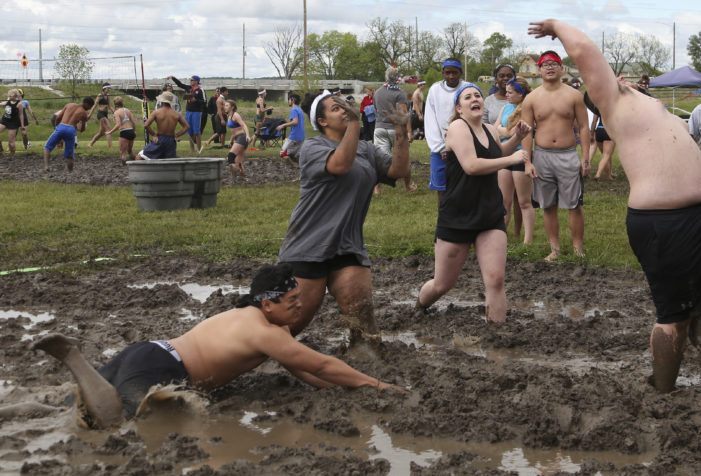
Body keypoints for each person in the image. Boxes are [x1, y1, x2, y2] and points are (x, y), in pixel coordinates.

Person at [528, 19, 701, 391]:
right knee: (671, 317)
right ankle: (662, 391)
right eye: (613, 77)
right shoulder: (614, 103)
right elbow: (584, 52)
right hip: (665, 223)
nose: (622, 79)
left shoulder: (657, 114)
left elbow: (693, 160)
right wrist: (556, 27)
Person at [32, 263, 404, 428]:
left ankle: (56, 391)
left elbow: (307, 371)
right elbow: (322, 364)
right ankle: (75, 358)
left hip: (149, 352)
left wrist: (347, 390)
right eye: (292, 301)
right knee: (112, 424)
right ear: (268, 304)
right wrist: (377, 385)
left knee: (70, 411)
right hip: (162, 370)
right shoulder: (267, 333)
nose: (301, 305)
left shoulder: (255, 321)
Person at [277, 91, 410, 348]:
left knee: (364, 326)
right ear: (322, 121)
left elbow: (399, 170)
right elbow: (340, 165)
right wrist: (355, 123)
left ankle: (368, 369)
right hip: (307, 248)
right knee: (288, 328)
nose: (344, 109)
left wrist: (401, 129)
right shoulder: (313, 147)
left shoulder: (366, 149)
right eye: (336, 108)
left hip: (348, 246)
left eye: (345, 106)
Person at [416, 83, 530, 322]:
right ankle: (418, 308)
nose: (474, 99)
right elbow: (472, 166)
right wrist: (511, 158)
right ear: (459, 108)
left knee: (496, 281)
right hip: (458, 215)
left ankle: (498, 341)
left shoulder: (490, 128)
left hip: (489, 213)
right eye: (467, 97)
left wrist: (517, 137)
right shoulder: (457, 127)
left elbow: (497, 154)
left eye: (477, 95)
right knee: (442, 284)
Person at [520, 50, 591, 260]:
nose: (549, 67)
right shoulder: (531, 99)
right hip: (542, 156)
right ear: (539, 70)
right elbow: (527, 130)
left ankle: (578, 249)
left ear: (561, 68)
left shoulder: (574, 96)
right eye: (545, 64)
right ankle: (555, 249)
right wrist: (527, 161)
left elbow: (585, 127)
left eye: (554, 63)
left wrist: (585, 158)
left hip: (568, 154)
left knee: (574, 204)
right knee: (548, 205)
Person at [496, 76, 536, 243]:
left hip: (521, 156)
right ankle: (502, 235)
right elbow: (495, 128)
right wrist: (506, 132)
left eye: (510, 92)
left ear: (520, 94)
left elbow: (524, 132)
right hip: (505, 156)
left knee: (524, 201)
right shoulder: (505, 107)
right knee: (504, 201)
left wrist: (503, 131)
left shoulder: (527, 109)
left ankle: (527, 240)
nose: (507, 95)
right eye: (506, 92)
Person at [425, 59, 465, 198]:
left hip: (464, 148)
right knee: (442, 189)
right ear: (443, 73)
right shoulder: (435, 90)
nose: (451, 76)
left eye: (455, 73)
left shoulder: (468, 88)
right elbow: (430, 120)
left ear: (460, 72)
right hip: (439, 149)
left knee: (463, 188)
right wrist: (441, 147)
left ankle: (462, 219)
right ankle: (444, 219)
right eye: (448, 73)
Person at [373, 66, 416, 192]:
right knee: (404, 159)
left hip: (379, 128)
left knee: (379, 160)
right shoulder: (400, 93)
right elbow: (403, 114)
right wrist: (409, 132)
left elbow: (377, 110)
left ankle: (377, 189)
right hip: (396, 131)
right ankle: (408, 186)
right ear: (398, 78)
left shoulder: (377, 92)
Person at [44, 97, 94, 172]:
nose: (89, 109)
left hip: (61, 126)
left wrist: (56, 127)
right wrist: (79, 126)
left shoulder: (69, 105)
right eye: (90, 107)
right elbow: (82, 129)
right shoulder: (83, 113)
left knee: (47, 147)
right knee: (69, 154)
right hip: (71, 130)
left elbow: (58, 117)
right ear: (87, 104)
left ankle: (47, 166)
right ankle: (70, 172)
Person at [137, 92, 189, 161]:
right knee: (170, 161)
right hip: (171, 141)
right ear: (170, 102)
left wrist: (154, 135)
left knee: (139, 157)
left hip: (160, 139)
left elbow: (146, 125)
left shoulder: (157, 112)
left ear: (162, 101)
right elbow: (187, 126)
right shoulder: (176, 114)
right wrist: (177, 135)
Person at [169, 75, 206, 153]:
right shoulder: (189, 88)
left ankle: (199, 149)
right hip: (188, 111)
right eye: (190, 80)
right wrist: (173, 78)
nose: (190, 81)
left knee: (197, 131)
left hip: (197, 112)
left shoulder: (200, 90)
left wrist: (195, 100)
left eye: (192, 80)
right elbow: (180, 84)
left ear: (196, 81)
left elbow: (204, 101)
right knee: (190, 131)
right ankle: (192, 150)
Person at [104, 97, 137, 163]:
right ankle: (138, 162)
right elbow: (133, 122)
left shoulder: (116, 112)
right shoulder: (127, 110)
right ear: (122, 102)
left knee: (123, 153)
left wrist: (110, 131)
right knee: (130, 151)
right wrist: (134, 131)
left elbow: (118, 125)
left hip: (124, 132)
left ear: (115, 104)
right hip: (131, 131)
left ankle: (124, 168)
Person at [276, 94, 307, 165]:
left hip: (294, 136)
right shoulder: (300, 110)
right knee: (295, 155)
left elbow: (295, 122)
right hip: (302, 136)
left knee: (282, 154)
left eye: (289, 100)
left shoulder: (294, 110)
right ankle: (301, 166)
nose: (288, 101)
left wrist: (283, 125)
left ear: (292, 100)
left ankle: (293, 166)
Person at [224, 99, 250, 177]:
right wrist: (231, 140)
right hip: (238, 138)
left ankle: (234, 178)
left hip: (242, 138)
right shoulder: (229, 116)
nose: (225, 107)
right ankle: (243, 179)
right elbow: (234, 131)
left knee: (230, 157)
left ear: (232, 107)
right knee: (239, 163)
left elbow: (244, 125)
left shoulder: (235, 115)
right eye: (224, 105)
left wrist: (248, 135)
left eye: (227, 105)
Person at [86, 84, 113, 149]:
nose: (109, 89)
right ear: (104, 88)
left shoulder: (108, 96)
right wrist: (89, 115)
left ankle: (90, 144)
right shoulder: (100, 95)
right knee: (109, 129)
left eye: (109, 88)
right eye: (108, 88)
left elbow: (109, 106)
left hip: (105, 114)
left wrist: (115, 112)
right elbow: (94, 106)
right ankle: (110, 148)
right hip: (101, 114)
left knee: (101, 133)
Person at [2, 89, 25, 157]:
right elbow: (2, 103)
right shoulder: (8, 101)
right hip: (4, 121)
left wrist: (22, 125)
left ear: (15, 96)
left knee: (11, 142)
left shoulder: (19, 104)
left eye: (10, 96)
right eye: (9, 96)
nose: (9, 97)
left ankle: (12, 155)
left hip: (13, 123)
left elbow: (21, 115)